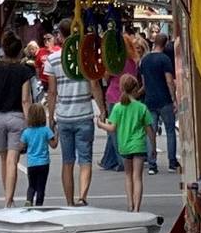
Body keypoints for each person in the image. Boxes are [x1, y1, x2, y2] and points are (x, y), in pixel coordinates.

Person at [0, 34, 42, 207]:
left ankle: (7, 197)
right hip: (17, 117)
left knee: (4, 160)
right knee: (13, 160)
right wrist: (29, 123)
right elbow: (26, 100)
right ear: (20, 52)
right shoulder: (24, 70)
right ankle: (8, 199)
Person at [42, 41, 97, 205]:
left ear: (60, 36)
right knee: (85, 160)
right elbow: (94, 84)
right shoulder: (85, 56)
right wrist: (101, 108)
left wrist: (50, 117)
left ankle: (69, 201)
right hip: (84, 113)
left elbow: (52, 92)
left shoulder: (52, 59)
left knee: (67, 161)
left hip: (64, 116)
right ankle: (82, 197)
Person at [104, 77, 152, 212]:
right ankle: (137, 207)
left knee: (128, 175)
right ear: (136, 88)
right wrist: (152, 145)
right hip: (139, 145)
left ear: (121, 88)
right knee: (138, 177)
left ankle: (130, 204)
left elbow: (112, 128)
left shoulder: (118, 107)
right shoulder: (141, 107)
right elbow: (149, 129)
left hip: (124, 145)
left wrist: (100, 124)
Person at [136, 36, 181, 172]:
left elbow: (143, 84)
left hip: (150, 100)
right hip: (165, 100)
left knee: (151, 133)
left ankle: (152, 164)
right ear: (166, 44)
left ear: (154, 43)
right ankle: (172, 163)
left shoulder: (144, 61)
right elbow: (169, 81)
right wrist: (174, 99)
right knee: (170, 131)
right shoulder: (165, 59)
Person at [19, 103, 51, 207]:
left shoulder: (26, 132)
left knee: (31, 184)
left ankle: (29, 200)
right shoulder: (46, 130)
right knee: (41, 186)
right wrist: (56, 133)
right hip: (44, 162)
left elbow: (21, 147)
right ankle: (39, 204)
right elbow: (54, 144)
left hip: (32, 163)